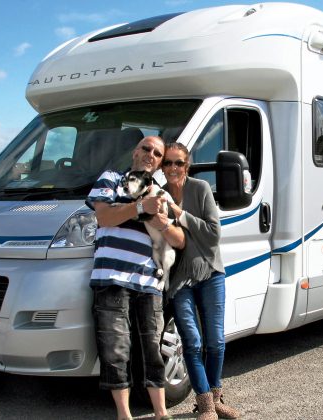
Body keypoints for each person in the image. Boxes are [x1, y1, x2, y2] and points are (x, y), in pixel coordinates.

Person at [86, 135, 184, 420]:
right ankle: (124, 415)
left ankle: (161, 413)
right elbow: (104, 217)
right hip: (111, 278)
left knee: (153, 350)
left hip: (150, 281)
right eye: (146, 148)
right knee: (116, 350)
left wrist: (162, 221)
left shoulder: (161, 192)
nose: (150, 154)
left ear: (159, 162)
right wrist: (140, 208)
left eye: (157, 153)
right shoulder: (111, 179)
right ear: (135, 151)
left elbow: (179, 241)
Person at [162, 143, 240, 420]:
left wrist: (180, 214)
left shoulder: (200, 188)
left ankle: (214, 400)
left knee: (216, 341)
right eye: (168, 163)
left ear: (187, 165)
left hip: (210, 272)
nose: (173, 168)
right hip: (179, 280)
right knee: (192, 343)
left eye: (179, 163)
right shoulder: (158, 196)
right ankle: (206, 405)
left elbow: (213, 234)